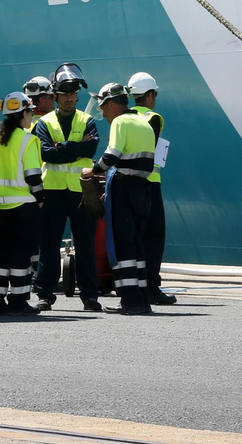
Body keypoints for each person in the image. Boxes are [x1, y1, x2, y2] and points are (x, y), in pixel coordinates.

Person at [30, 69, 102, 312]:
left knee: (85, 245)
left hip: (81, 191)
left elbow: (90, 151)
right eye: (64, 94)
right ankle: (45, 295)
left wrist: (63, 147)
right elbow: (45, 153)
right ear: (56, 96)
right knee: (48, 245)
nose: (70, 98)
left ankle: (90, 297)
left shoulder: (87, 120)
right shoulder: (43, 123)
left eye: (73, 94)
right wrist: (76, 148)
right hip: (52, 191)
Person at [87, 82, 158, 315]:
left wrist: (93, 170)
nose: (104, 113)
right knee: (137, 243)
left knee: (122, 242)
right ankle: (142, 298)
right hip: (143, 188)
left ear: (111, 104)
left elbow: (112, 155)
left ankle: (130, 301)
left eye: (103, 107)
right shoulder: (144, 123)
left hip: (124, 186)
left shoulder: (120, 122)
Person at [0, 90, 45, 316]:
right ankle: (19, 302)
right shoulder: (28, 140)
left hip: (2, 207)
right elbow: (33, 177)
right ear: (24, 113)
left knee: (4, 254)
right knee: (22, 255)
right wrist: (40, 199)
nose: (32, 117)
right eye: (31, 112)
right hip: (25, 206)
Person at [128, 71, 176, 307]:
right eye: (154, 93)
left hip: (127, 183)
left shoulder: (123, 118)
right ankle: (152, 288)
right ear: (148, 95)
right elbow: (152, 148)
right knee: (154, 236)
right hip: (150, 182)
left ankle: (132, 285)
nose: (155, 98)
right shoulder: (153, 118)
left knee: (133, 236)